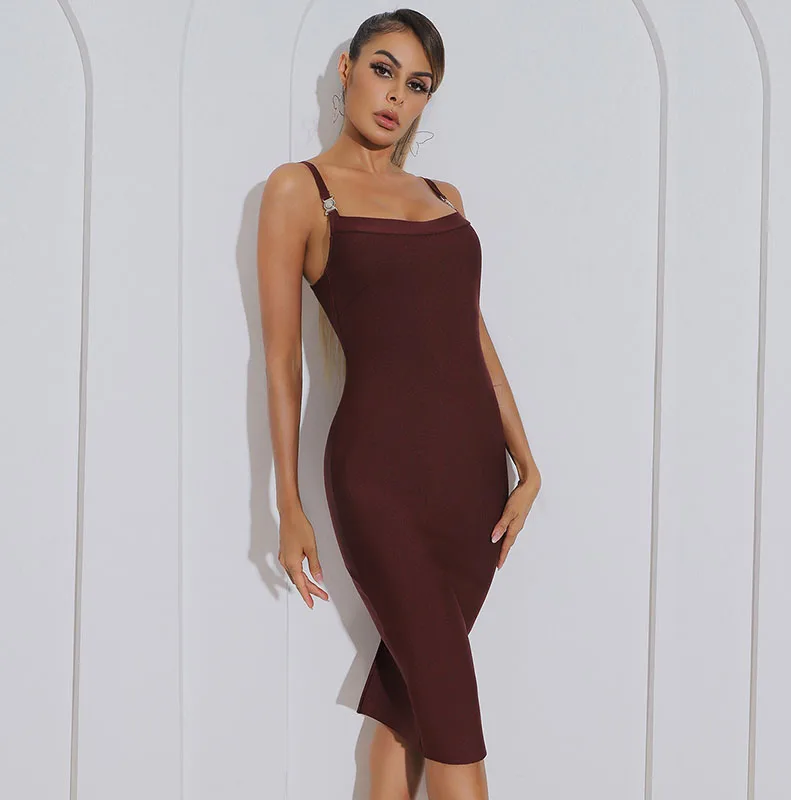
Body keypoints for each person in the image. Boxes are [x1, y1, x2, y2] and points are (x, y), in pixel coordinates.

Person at [257, 9, 541, 800]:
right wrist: (287, 503)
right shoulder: (299, 190)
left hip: (472, 487)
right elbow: (280, 362)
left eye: (417, 85)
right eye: (383, 70)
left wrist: (527, 463)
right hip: (378, 484)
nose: (396, 96)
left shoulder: (444, 196)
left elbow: (471, 335)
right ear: (347, 69)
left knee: (409, 711)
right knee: (454, 724)